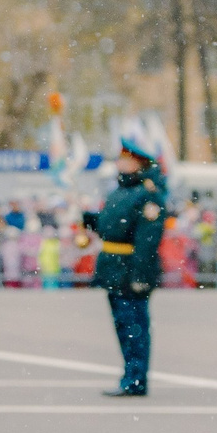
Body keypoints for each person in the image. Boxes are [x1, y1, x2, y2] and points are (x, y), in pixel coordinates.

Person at [90, 136, 165, 397]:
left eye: (126, 159)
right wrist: (88, 219)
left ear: (139, 163)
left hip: (130, 269)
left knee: (135, 328)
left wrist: (141, 276)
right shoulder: (120, 192)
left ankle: (136, 379)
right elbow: (108, 228)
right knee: (123, 326)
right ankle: (130, 376)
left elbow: (147, 240)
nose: (120, 163)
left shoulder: (147, 195)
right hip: (114, 268)